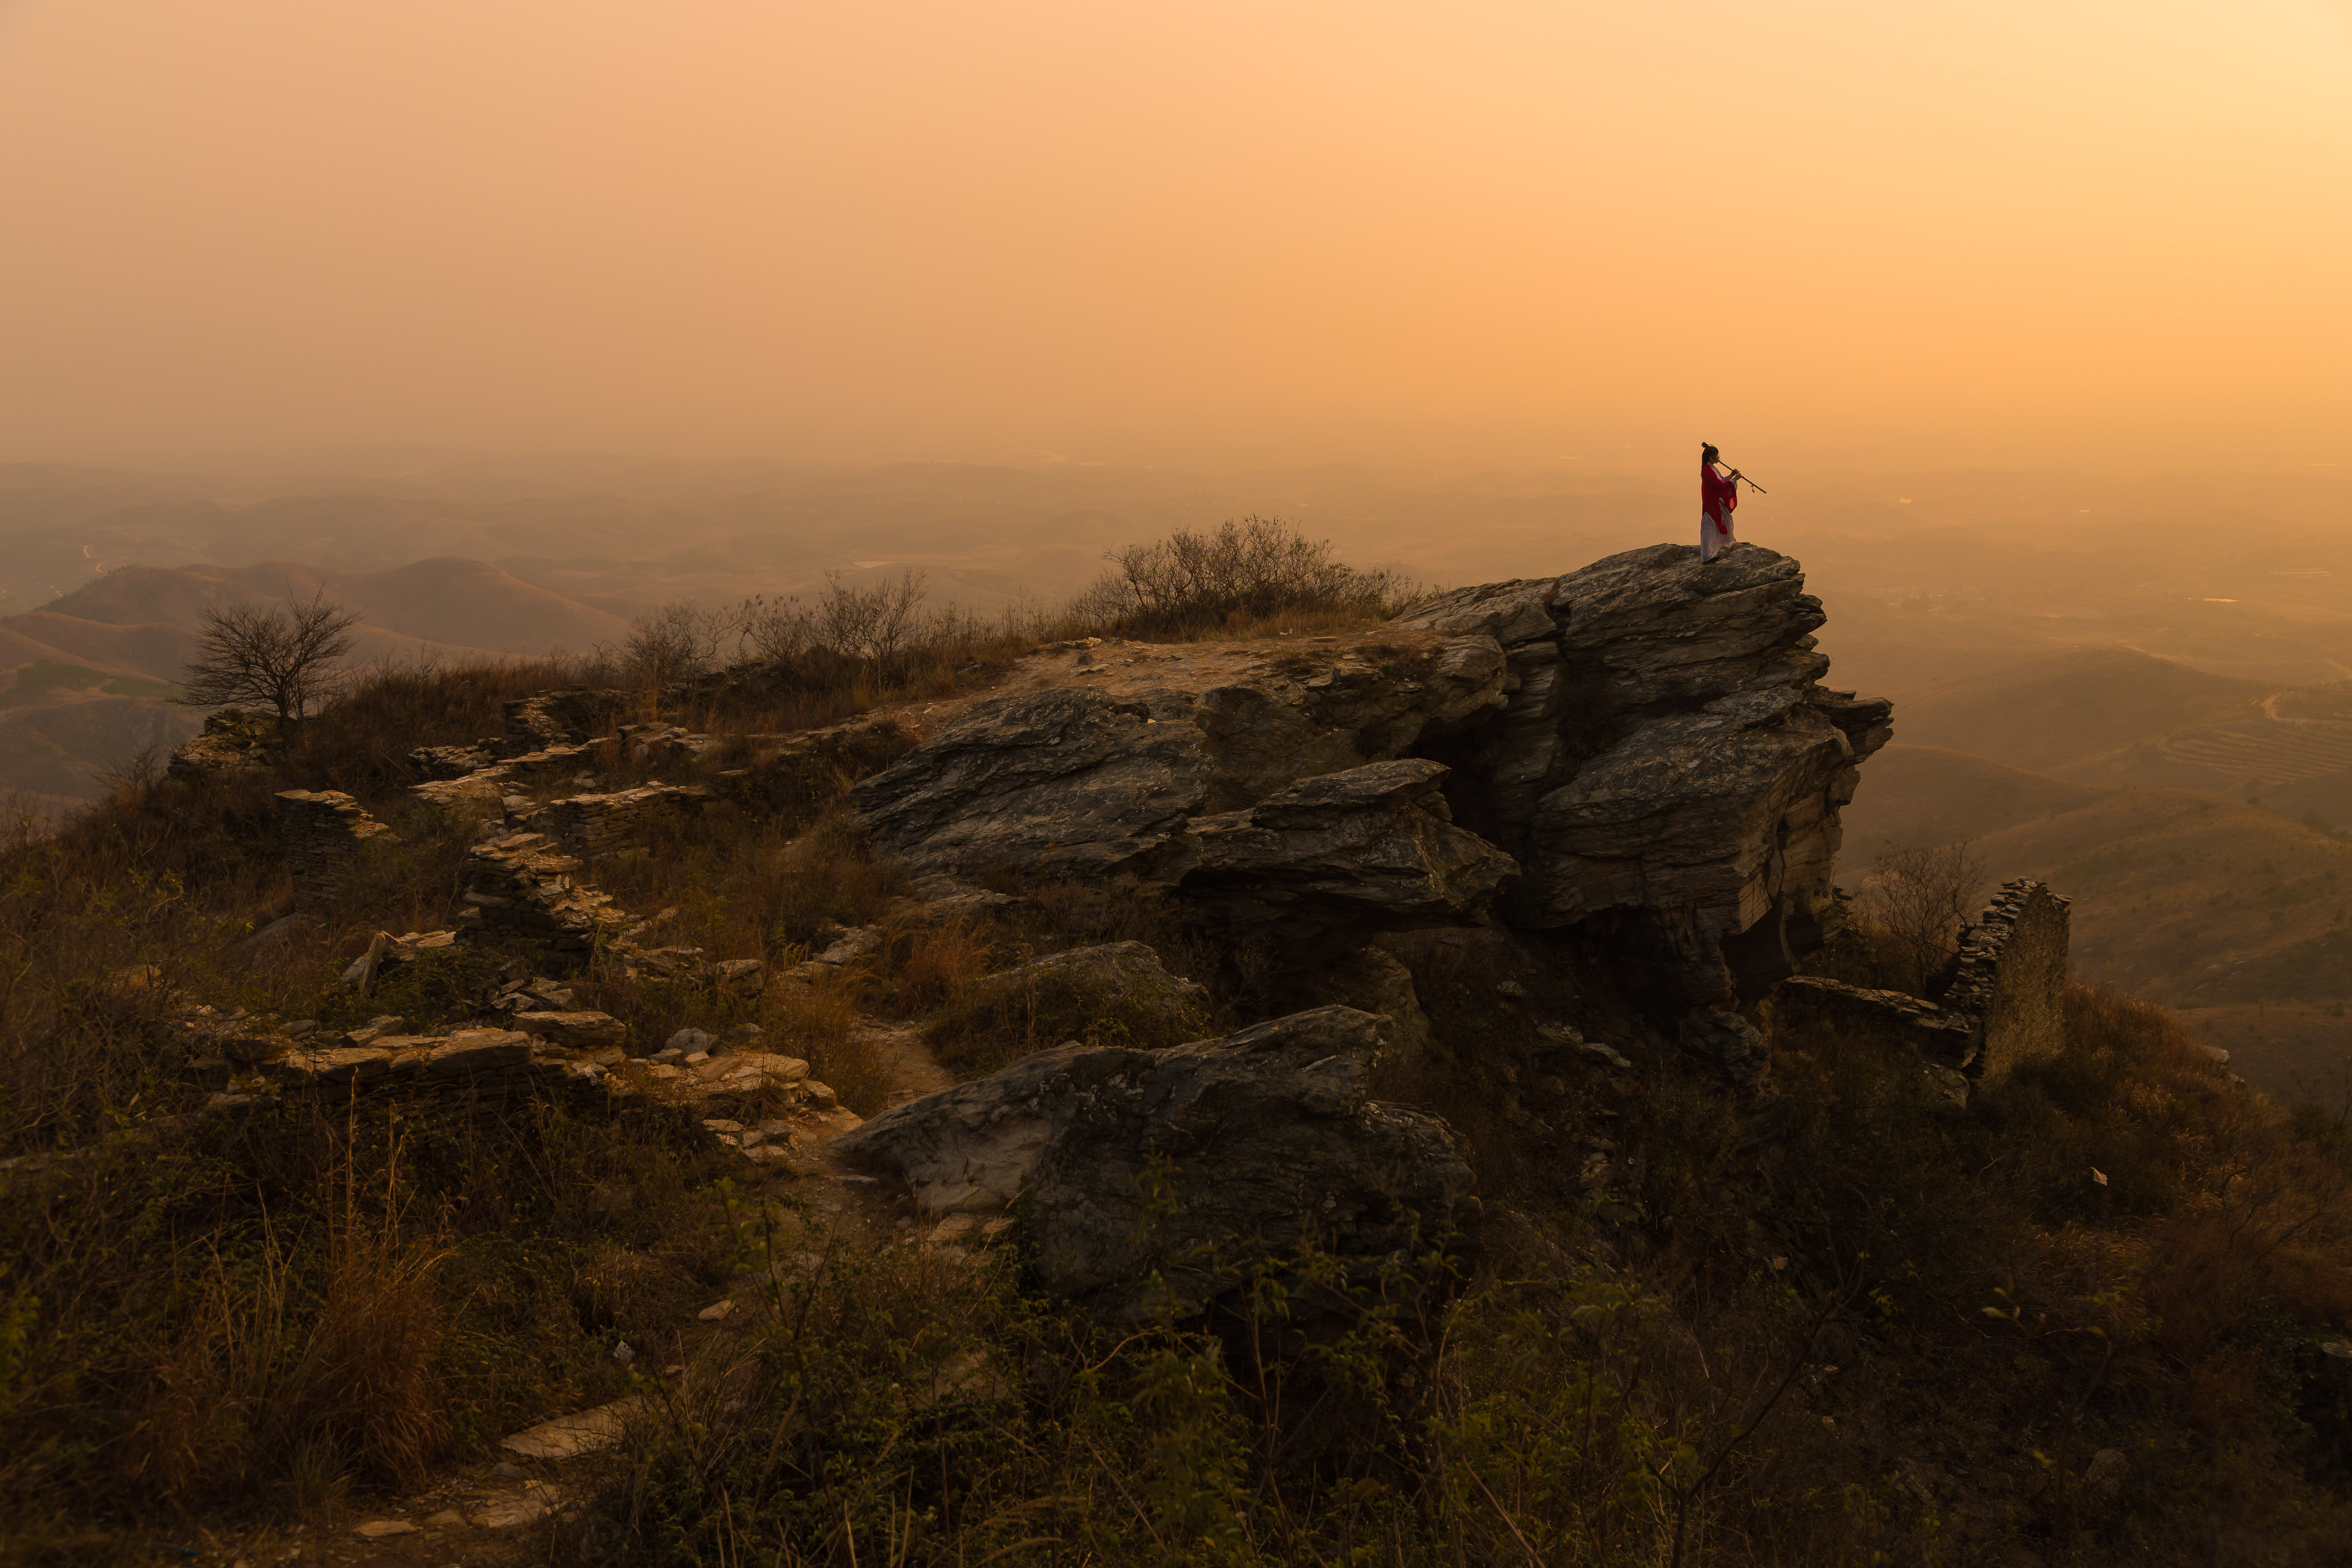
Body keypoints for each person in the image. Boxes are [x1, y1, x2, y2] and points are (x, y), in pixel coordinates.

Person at [1700, 443, 1739, 562]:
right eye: (1716, 456)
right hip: (1711, 502)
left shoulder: (1712, 468)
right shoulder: (1708, 470)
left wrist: (1731, 476)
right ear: (1710, 457)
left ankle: (1712, 553)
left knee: (1715, 526)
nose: (1718, 458)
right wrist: (1734, 480)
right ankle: (1707, 556)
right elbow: (1719, 486)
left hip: (1715, 501)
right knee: (1709, 528)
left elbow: (1721, 480)